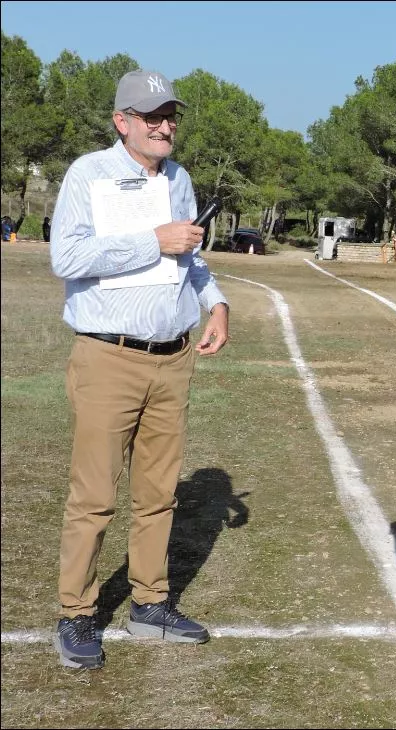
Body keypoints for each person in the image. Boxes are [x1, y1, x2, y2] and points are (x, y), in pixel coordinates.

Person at [49, 70, 230, 670]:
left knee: (158, 494)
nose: (164, 125)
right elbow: (67, 256)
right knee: (94, 495)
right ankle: (76, 613)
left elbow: (192, 255)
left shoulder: (179, 180)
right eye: (151, 115)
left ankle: (150, 605)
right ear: (121, 121)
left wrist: (216, 303)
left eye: (170, 114)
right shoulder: (87, 174)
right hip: (107, 356)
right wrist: (153, 240)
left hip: (172, 358)